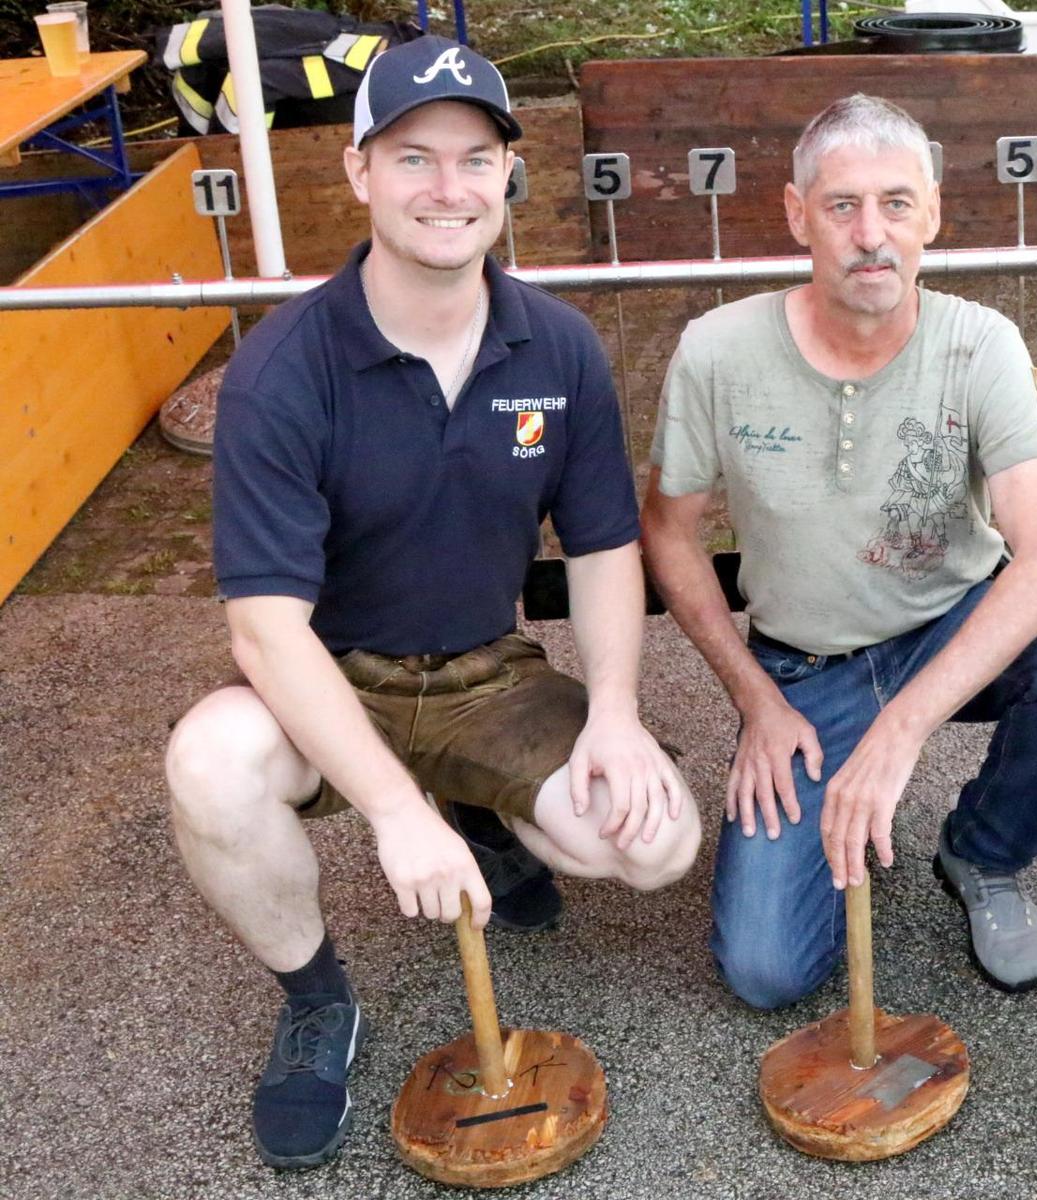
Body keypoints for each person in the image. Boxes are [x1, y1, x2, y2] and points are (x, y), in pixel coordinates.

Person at [163, 36, 699, 1169]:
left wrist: (614, 711)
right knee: (209, 765)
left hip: (482, 673)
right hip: (328, 673)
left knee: (653, 844)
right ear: (358, 173)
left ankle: (484, 815)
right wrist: (389, 815)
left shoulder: (558, 346)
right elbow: (264, 627)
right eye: (413, 158)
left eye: (473, 158)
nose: (446, 189)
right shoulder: (283, 370)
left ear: (508, 175)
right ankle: (317, 1003)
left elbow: (604, 550)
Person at [642, 94, 1037, 1008]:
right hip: (802, 669)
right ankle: (827, 828)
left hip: (952, 626)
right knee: (764, 974)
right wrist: (755, 702)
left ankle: (983, 853)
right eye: (842, 206)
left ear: (933, 214)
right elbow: (669, 534)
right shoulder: (715, 354)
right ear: (798, 217)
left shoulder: (980, 344)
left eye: (897, 204)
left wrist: (901, 731)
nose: (872, 235)